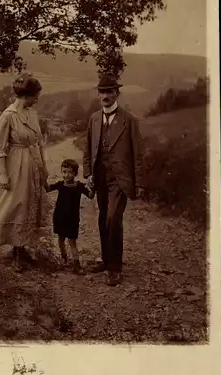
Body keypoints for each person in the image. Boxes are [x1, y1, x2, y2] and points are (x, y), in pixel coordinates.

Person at [83, 73, 146, 286]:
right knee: (102, 219)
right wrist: (88, 174)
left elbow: (138, 154)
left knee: (113, 219)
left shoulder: (129, 120)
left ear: (117, 93)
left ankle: (115, 268)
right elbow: (88, 149)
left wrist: (139, 183)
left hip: (119, 179)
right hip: (100, 176)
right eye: (102, 91)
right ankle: (106, 258)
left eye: (109, 91)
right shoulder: (93, 118)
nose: (105, 95)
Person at [0, 73, 48, 270]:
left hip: (32, 164)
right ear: (26, 96)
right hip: (15, 165)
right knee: (16, 205)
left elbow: (38, 142)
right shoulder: (8, 116)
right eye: (35, 96)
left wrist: (43, 168)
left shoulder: (32, 114)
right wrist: (3, 174)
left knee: (30, 204)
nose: (37, 99)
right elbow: (0, 149)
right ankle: (15, 252)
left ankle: (23, 248)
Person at [45, 159, 94, 275]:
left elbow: (90, 196)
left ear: (75, 174)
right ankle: (64, 258)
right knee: (60, 240)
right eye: (64, 172)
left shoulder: (79, 186)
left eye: (70, 172)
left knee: (72, 242)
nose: (67, 175)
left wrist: (93, 187)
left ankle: (76, 265)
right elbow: (47, 189)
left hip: (73, 220)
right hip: (59, 217)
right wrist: (41, 179)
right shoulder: (60, 185)